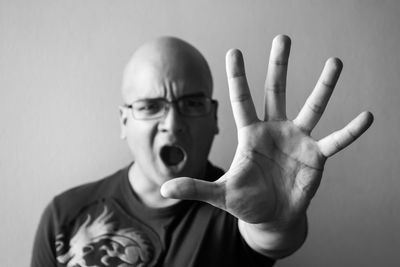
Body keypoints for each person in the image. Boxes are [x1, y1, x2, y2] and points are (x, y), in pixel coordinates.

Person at [31, 35, 373, 267]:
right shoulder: (65, 215)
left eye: (191, 103)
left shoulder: (243, 206)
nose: (173, 122)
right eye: (150, 106)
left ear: (214, 118)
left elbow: (270, 237)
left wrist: (276, 222)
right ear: (124, 121)